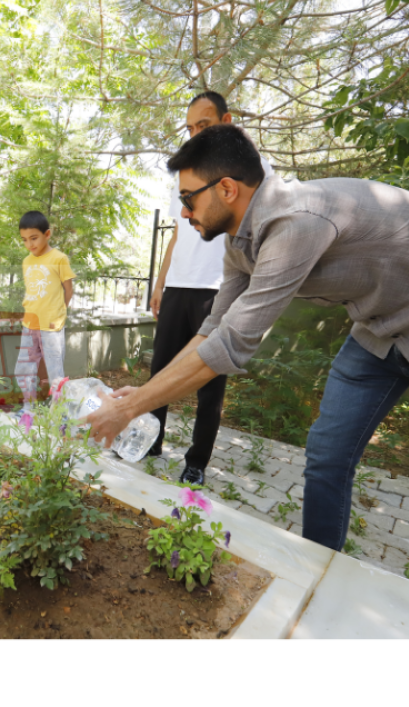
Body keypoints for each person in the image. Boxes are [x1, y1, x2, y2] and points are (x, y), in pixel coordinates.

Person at [87, 122, 409, 553]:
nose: (183, 213)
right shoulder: (239, 244)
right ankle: (316, 572)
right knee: (327, 455)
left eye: (188, 198)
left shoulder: (295, 223)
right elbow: (211, 329)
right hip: (379, 331)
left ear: (226, 189)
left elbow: (232, 345)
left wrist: (127, 410)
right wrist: (143, 394)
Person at [147, 92, 274, 485]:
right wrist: (160, 281)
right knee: (159, 372)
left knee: (209, 384)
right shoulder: (186, 172)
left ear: (227, 119)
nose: (194, 133)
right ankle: (149, 441)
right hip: (178, 288)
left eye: (203, 125)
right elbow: (176, 233)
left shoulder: (253, 169)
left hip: (220, 290)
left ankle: (196, 462)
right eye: (189, 127)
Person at [14, 211, 75, 415]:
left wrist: (59, 315)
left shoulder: (59, 259)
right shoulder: (26, 261)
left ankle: (59, 415)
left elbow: (68, 290)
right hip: (30, 324)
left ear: (47, 234)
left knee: (55, 373)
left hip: (51, 326)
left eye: (34, 238)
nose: (30, 244)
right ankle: (28, 409)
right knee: (23, 370)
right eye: (24, 240)